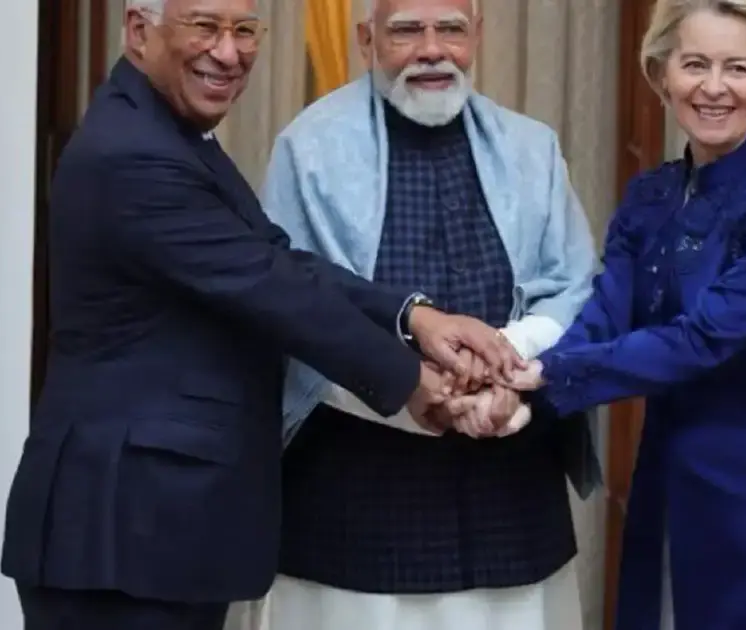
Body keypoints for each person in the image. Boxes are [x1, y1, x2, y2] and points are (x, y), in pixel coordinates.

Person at [0, 1, 521, 629]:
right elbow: (270, 288)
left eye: (244, 30)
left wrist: (414, 317)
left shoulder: (168, 132)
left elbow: (276, 259)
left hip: (156, 531)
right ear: (139, 32)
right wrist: (411, 380)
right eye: (204, 26)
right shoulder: (133, 153)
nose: (228, 52)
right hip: (121, 534)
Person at [500, 1, 746, 628]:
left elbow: (700, 340)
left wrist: (541, 378)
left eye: (738, 68)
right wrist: (519, 370)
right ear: (661, 76)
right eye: (695, 64)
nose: (714, 87)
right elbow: (605, 315)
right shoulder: (651, 195)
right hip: (669, 491)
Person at [257, 0, 601, 629]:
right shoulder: (307, 150)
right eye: (407, 30)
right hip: (356, 504)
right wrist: (415, 386)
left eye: (451, 29)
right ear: (366, 40)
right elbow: (292, 306)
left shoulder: (532, 147)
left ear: (478, 35)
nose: (432, 50)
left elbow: (575, 287)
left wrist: (506, 363)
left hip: (510, 496)